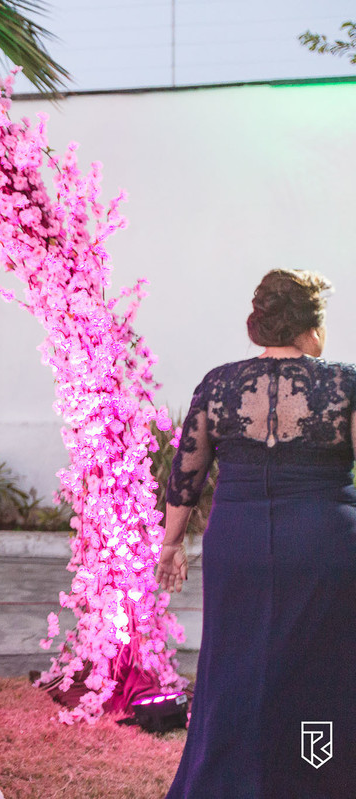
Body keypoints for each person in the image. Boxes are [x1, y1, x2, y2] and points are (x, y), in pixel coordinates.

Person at [158, 269, 356, 798]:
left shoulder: (218, 384)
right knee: (321, 668)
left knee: (233, 663)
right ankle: (318, 778)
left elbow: (186, 472)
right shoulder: (345, 384)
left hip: (238, 541)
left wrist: (171, 544)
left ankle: (227, 782)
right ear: (312, 326)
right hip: (324, 541)